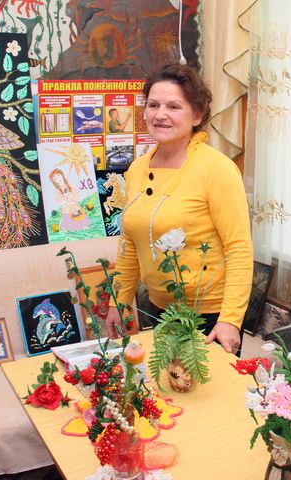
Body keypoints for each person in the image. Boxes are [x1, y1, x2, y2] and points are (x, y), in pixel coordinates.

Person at [104, 63, 253, 354]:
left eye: (173, 106)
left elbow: (239, 248)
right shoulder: (137, 169)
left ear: (197, 115)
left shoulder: (217, 169)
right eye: (153, 105)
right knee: (165, 383)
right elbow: (130, 243)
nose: (160, 114)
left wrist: (231, 319)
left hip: (211, 316)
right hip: (160, 309)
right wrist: (117, 301)